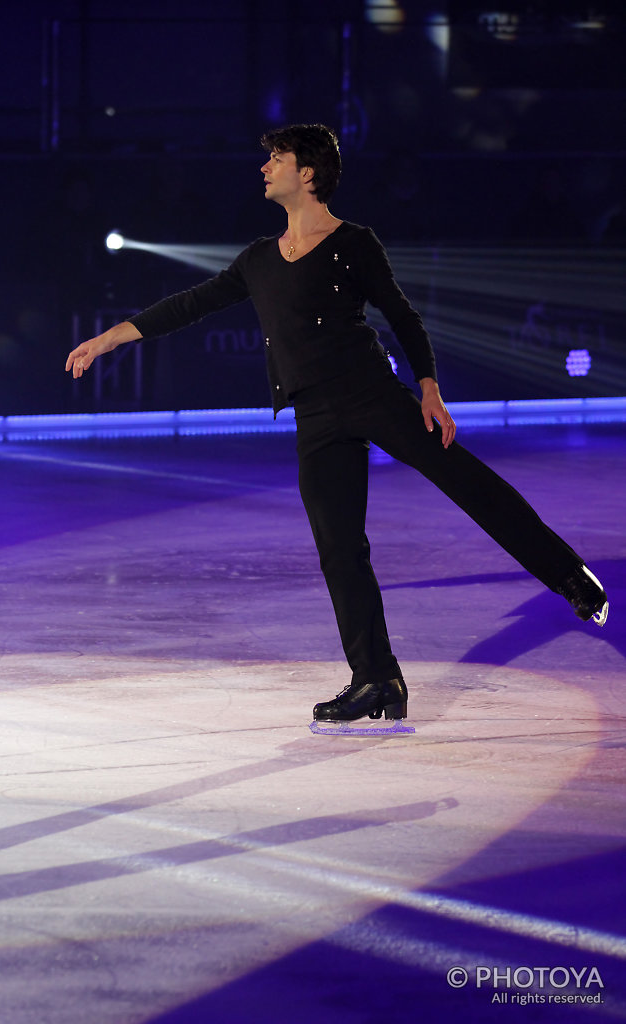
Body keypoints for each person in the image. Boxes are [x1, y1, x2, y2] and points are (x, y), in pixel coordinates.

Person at [66, 123, 609, 727]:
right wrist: (110, 338)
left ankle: (568, 574)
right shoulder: (258, 260)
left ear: (309, 173)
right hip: (315, 416)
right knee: (339, 550)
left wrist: (427, 386)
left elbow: (402, 316)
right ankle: (377, 678)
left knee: (467, 481)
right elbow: (189, 305)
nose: (264, 165)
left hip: (373, 394)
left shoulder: (353, 242)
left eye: (277, 157)